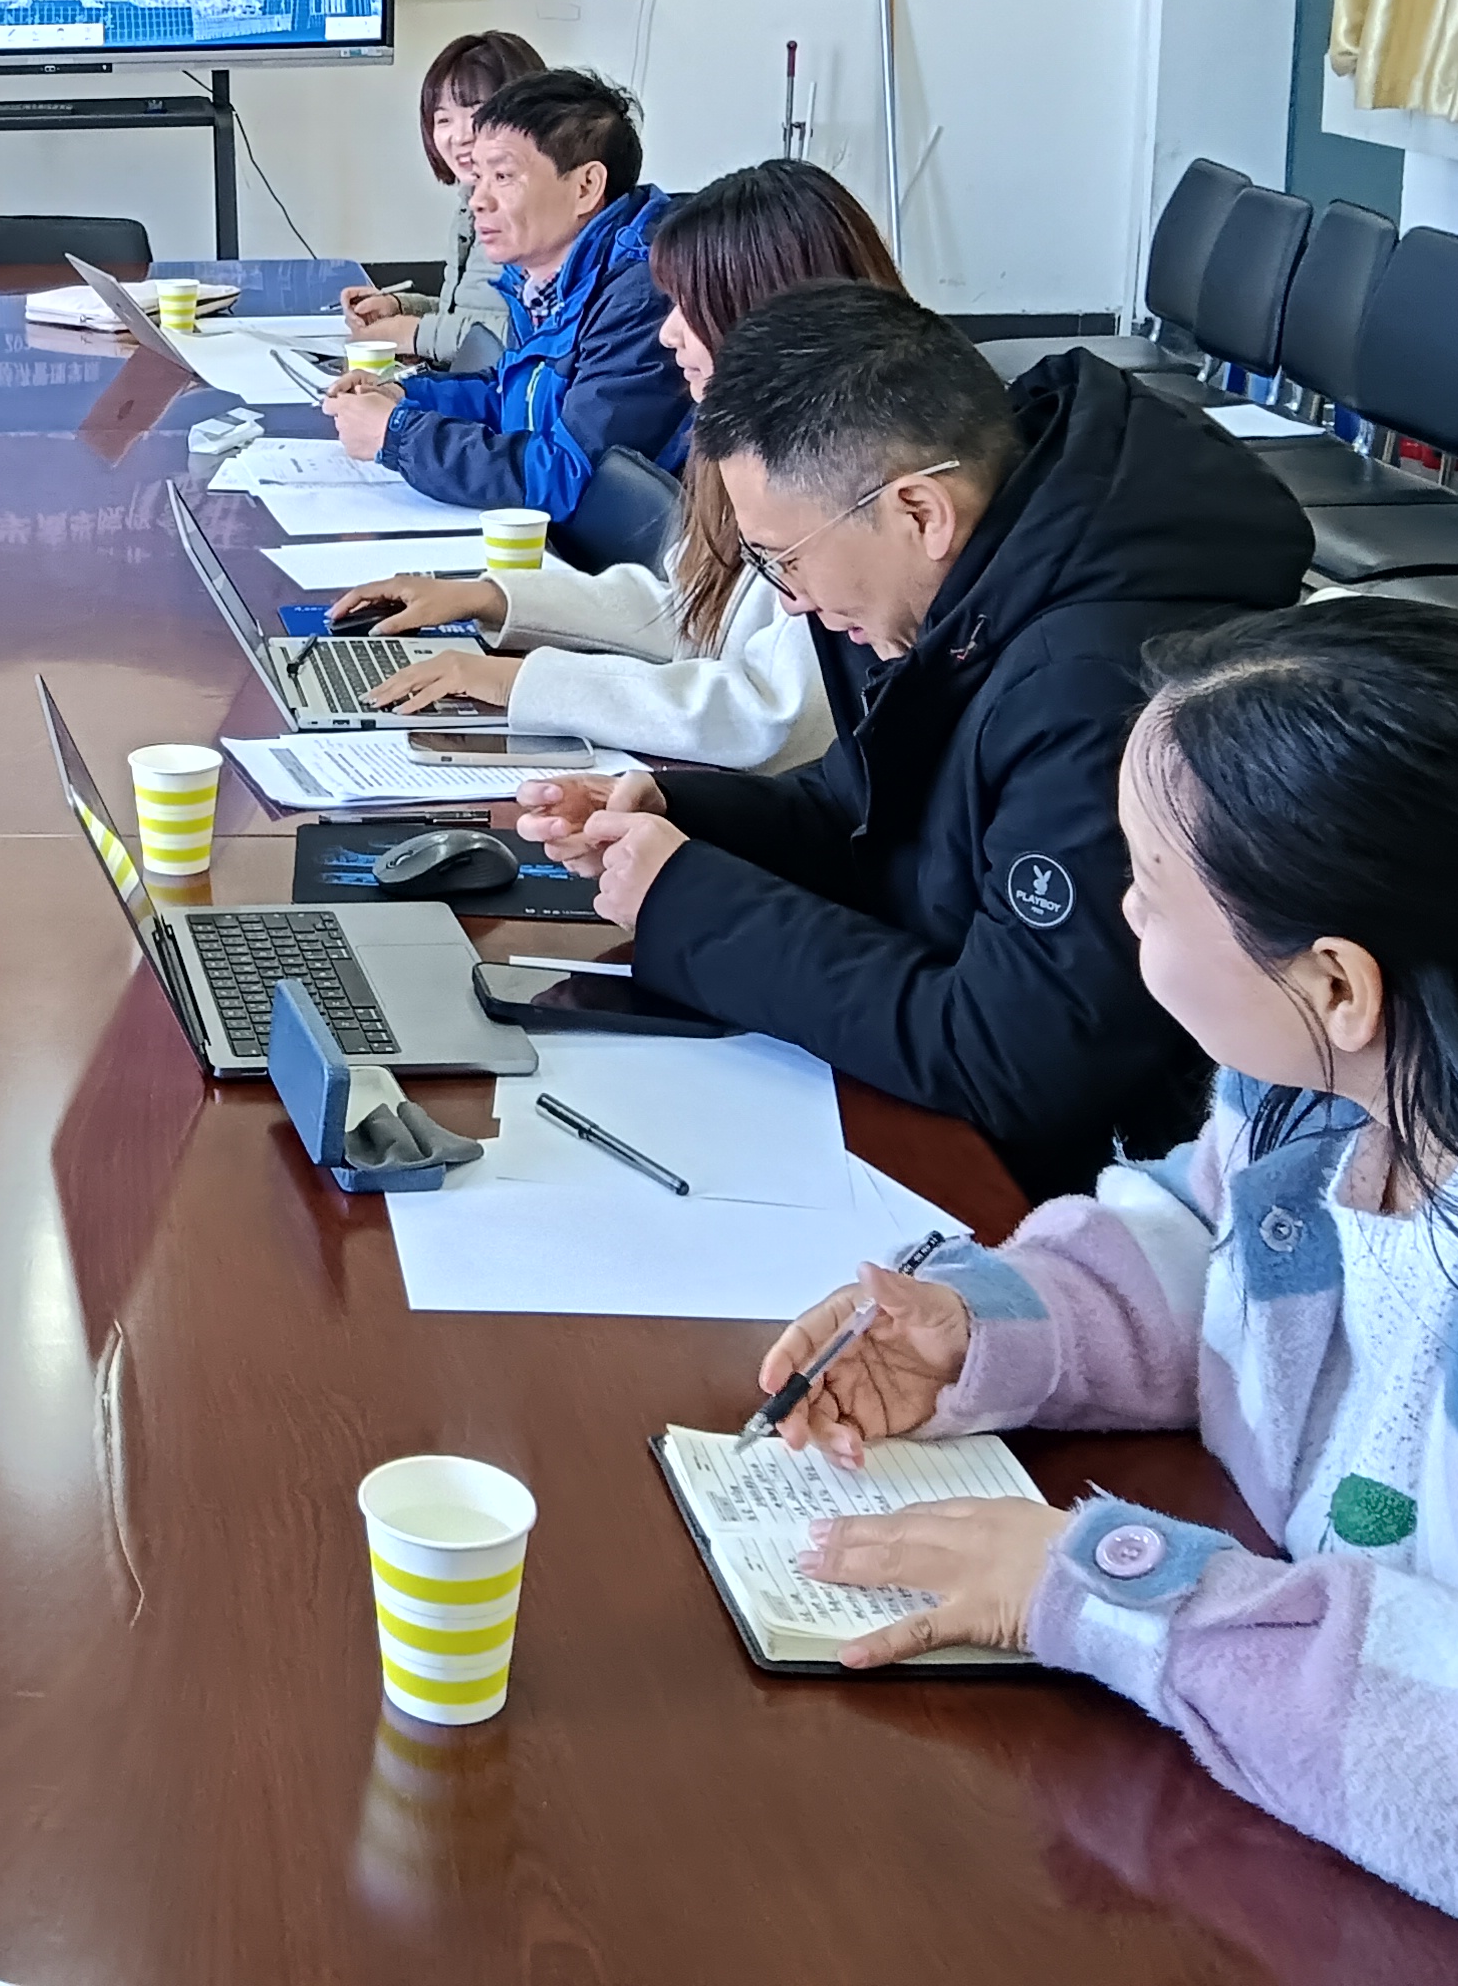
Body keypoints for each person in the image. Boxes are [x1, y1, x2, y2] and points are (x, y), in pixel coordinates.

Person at [754, 600, 1458, 1981]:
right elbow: (1214, 1239)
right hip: (1342, 1813)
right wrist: (987, 1328)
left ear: (1336, 982)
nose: (1121, 910)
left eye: (1148, 883)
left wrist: (1111, 1593)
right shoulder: (1337, 1082)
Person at [522, 283, 1310, 1196]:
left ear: (920, 512)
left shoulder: (1096, 687)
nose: (789, 600)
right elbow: (860, 809)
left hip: (1102, 1177)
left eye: (784, 558)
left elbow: (1016, 1057)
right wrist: (680, 812)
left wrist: (687, 904)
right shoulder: (986, 577)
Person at [330, 160, 896, 770]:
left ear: (771, 315)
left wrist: (522, 684)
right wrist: (489, 598)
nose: (668, 335)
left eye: (690, 308)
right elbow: (685, 608)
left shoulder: (852, 479)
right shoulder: (746, 441)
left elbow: (768, 716)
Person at [324, 66, 682, 517]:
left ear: (586, 187)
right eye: (479, 177)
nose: (478, 199)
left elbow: (573, 477)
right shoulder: (539, 279)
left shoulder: (644, 292)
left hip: (588, 554)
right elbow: (507, 396)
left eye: (504, 177)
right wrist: (402, 396)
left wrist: (397, 436)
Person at [339, 28, 545, 376]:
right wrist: (403, 308)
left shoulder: (536, 216)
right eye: (444, 119)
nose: (459, 135)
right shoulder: (470, 201)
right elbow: (472, 315)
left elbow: (526, 336)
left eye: (477, 114)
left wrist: (415, 334)